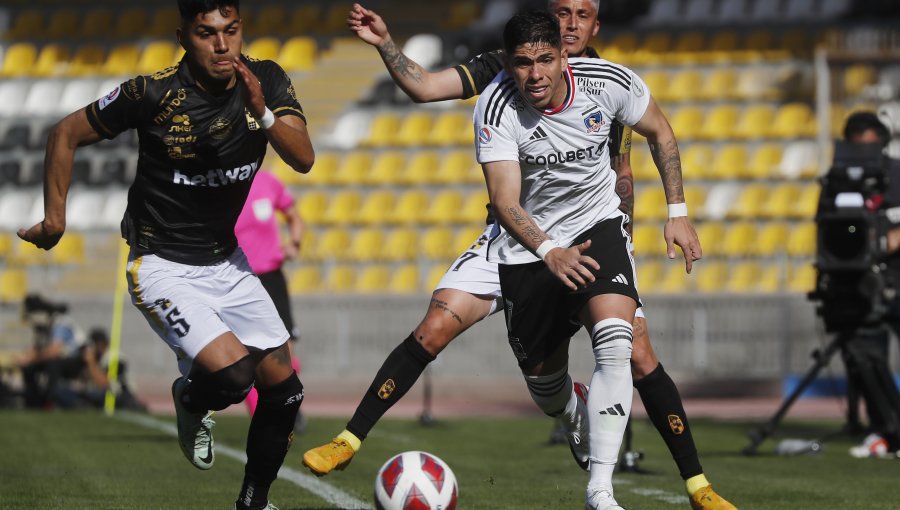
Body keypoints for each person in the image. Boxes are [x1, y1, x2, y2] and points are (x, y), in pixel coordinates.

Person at [304, 3, 735, 509]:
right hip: (516, 241)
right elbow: (495, 186)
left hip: (595, 228)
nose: (570, 26)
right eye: (563, 13)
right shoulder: (499, 82)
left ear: (588, 31)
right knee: (465, 339)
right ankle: (353, 438)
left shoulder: (611, 82)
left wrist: (665, 219)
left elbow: (634, 157)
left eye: (582, 16)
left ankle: (660, 487)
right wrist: (385, 45)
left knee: (626, 344)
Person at [17, 1, 314, 509]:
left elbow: (303, 158)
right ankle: (189, 397)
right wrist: (56, 219)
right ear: (184, 37)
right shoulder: (151, 93)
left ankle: (254, 503)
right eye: (206, 33)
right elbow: (64, 133)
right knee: (233, 377)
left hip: (229, 262)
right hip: (161, 264)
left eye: (231, 30)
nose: (222, 45)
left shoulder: (265, 79)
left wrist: (262, 110)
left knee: (284, 390)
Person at [841, 111, 900, 458]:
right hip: (862, 284)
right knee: (866, 356)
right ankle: (884, 428)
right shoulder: (839, 180)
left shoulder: (898, 174)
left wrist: (888, 239)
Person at [234, 168, 306, 431]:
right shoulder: (222, 182)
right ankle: (262, 418)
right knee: (248, 354)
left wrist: (294, 243)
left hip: (271, 277)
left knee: (286, 348)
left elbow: (294, 217)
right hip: (238, 278)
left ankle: (289, 408)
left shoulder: (266, 181)